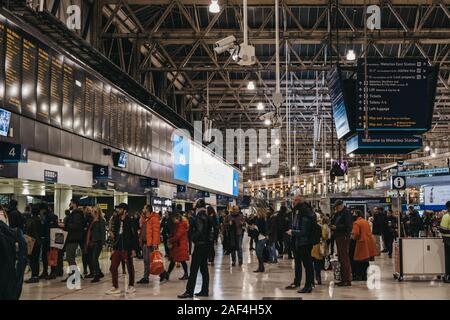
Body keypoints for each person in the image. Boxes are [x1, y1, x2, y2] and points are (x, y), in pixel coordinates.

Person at [178, 198, 213, 298]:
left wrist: (193, 238)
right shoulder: (206, 216)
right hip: (206, 245)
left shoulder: (199, 216)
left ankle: (189, 291)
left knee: (193, 270)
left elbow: (200, 230)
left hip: (200, 246)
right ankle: (204, 290)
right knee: (204, 269)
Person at [106, 203, 139, 295]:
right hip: (117, 247)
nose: (118, 210)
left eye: (120, 209)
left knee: (130, 267)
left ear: (124, 210)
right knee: (113, 267)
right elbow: (116, 233)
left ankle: (131, 285)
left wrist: (133, 249)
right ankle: (115, 286)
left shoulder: (130, 221)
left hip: (127, 248)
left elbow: (134, 236)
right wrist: (113, 239)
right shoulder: (116, 220)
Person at [287, 196, 316, 294]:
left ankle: (308, 285)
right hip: (297, 242)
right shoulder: (297, 211)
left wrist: (293, 232)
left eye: (295, 200)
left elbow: (304, 231)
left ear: (300, 202)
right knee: (299, 263)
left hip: (304, 242)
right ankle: (298, 282)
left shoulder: (305, 212)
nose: (293, 202)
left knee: (307, 264)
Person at [60, 199, 85, 282]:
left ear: (74, 204)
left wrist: (65, 225)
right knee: (70, 257)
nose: (69, 205)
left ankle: (75, 275)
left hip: (73, 238)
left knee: (70, 257)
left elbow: (76, 226)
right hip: (72, 238)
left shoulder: (77, 214)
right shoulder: (75, 214)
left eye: (70, 203)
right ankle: (73, 275)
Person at [159, 213, 189, 281]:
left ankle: (185, 274)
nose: (173, 221)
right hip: (178, 245)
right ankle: (168, 274)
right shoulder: (177, 225)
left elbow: (178, 235)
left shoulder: (182, 225)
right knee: (174, 260)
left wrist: (170, 240)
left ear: (178, 218)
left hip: (181, 245)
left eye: (174, 219)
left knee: (181, 260)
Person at [330, 200, 353, 286]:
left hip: (343, 237)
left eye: (337, 206)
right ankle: (344, 278)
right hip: (338, 237)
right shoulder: (338, 214)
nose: (336, 208)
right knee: (341, 258)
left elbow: (349, 226)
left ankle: (347, 279)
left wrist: (337, 227)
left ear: (341, 205)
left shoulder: (346, 213)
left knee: (344, 258)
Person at [137, 205, 160, 284]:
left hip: (149, 243)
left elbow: (156, 232)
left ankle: (146, 277)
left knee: (149, 261)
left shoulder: (154, 219)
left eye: (144, 208)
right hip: (144, 242)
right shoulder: (145, 219)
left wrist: (155, 243)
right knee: (147, 261)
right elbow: (141, 226)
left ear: (147, 209)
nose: (142, 209)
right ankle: (163, 273)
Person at [351, 210, 377, 281]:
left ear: (356, 214)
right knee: (366, 260)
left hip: (361, 243)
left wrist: (352, 237)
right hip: (369, 242)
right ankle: (365, 275)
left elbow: (355, 234)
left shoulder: (356, 223)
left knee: (358, 260)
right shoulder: (365, 221)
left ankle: (359, 275)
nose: (352, 215)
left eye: (353, 213)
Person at [86, 206, 106, 283]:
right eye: (93, 211)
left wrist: (103, 243)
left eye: (95, 211)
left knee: (94, 258)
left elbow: (103, 233)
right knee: (92, 258)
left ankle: (97, 275)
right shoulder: (92, 221)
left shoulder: (101, 221)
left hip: (98, 242)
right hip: (92, 242)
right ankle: (99, 273)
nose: (93, 213)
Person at [39, 203, 58, 280]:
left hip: (51, 239)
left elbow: (52, 228)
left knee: (52, 256)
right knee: (44, 256)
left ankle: (53, 272)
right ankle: (45, 272)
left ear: (43, 209)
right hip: (46, 239)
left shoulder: (51, 216)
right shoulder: (45, 216)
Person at [24, 205, 42, 283]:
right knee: (36, 259)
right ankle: (36, 276)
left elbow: (27, 230)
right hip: (39, 242)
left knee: (32, 259)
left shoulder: (30, 220)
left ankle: (33, 276)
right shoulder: (40, 220)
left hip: (31, 241)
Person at [311, 216, 329, 285]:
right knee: (317, 264)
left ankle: (311, 279)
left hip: (311, 247)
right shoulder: (320, 227)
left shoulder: (309, 227)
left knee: (310, 264)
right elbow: (325, 236)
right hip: (319, 247)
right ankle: (318, 278)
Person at [251, 208, 267, 273]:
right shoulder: (258, 219)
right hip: (258, 238)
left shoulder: (262, 220)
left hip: (261, 238)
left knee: (259, 253)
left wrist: (256, 227)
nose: (257, 213)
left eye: (258, 212)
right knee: (258, 253)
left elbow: (263, 229)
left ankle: (261, 268)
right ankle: (260, 267)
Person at [439, 201, 450, 283]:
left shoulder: (446, 216)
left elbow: (442, 230)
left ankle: (448, 276)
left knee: (448, 259)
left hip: (448, 241)